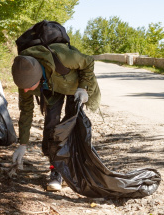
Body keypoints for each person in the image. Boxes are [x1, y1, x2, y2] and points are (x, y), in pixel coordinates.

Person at [10, 43, 101, 191]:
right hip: (50, 88)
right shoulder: (23, 76)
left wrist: (83, 88)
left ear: (38, 77)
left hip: (74, 86)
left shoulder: (63, 57)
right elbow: (26, 112)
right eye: (23, 88)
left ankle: (71, 169)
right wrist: (22, 144)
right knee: (52, 125)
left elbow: (88, 61)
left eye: (29, 86)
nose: (25, 90)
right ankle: (56, 171)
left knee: (71, 124)